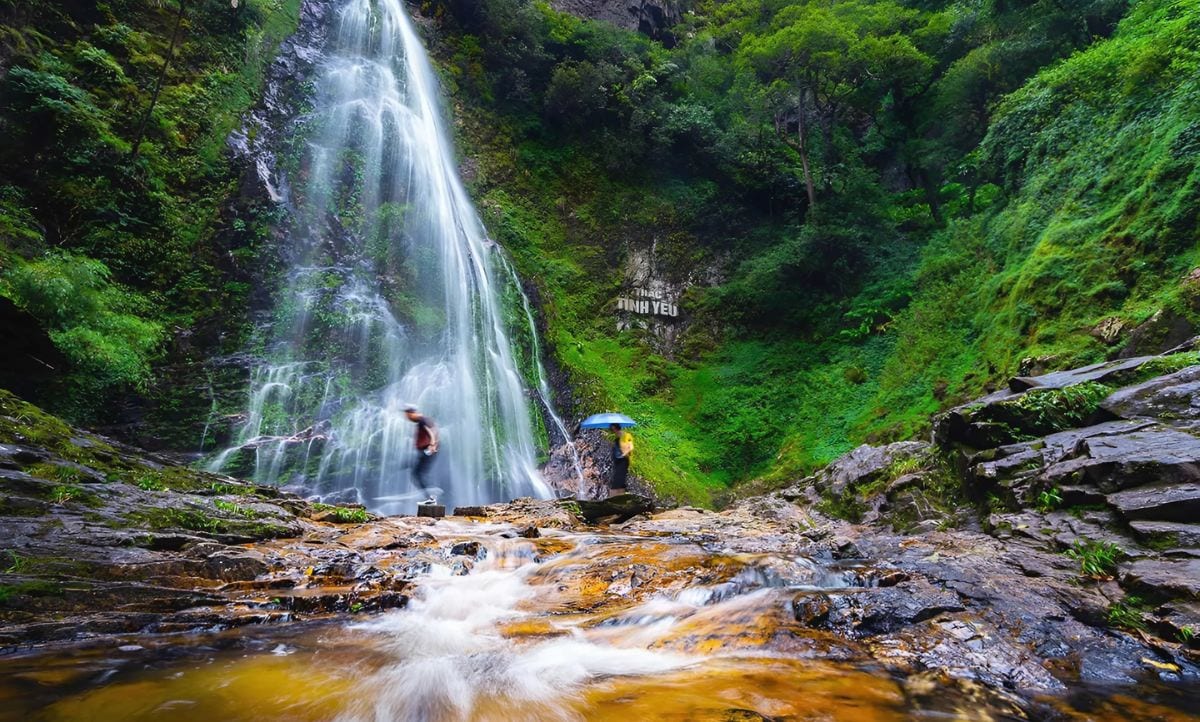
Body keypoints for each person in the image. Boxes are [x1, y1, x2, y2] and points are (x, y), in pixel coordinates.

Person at [405, 405, 439, 503]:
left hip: (427, 450)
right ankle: (431, 495)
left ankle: (431, 496)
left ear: (412, 413)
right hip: (426, 450)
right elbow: (435, 429)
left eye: (408, 416)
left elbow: (431, 432)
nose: (408, 418)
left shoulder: (422, 420)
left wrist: (432, 444)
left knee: (418, 473)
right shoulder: (424, 420)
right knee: (418, 473)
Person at [608, 422, 633, 496]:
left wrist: (623, 454)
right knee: (620, 480)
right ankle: (620, 497)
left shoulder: (626, 436)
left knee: (617, 481)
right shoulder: (617, 438)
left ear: (615, 428)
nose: (612, 431)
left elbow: (630, 447)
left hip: (623, 461)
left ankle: (613, 498)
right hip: (617, 461)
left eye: (612, 429)